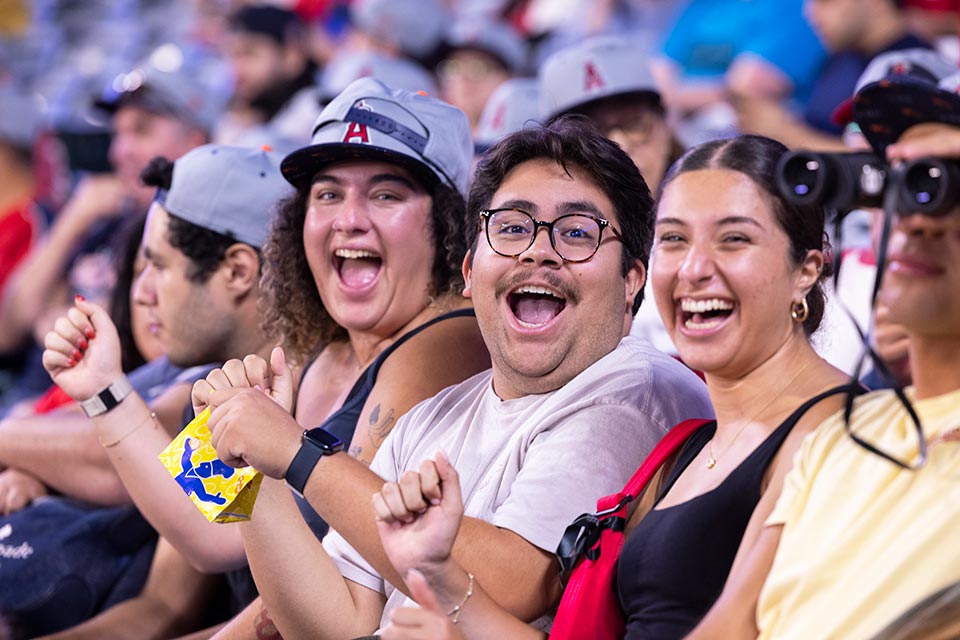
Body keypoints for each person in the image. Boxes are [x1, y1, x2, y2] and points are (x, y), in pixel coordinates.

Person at [193, 115, 712, 638]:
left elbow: (516, 585)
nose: (537, 249)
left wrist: (296, 453)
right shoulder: (430, 415)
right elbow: (331, 622)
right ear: (468, 271)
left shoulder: (635, 388)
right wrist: (248, 474)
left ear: (632, 282)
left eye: (577, 233)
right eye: (511, 227)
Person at [42, 79, 492, 638]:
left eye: (386, 194)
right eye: (327, 194)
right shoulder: (308, 345)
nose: (348, 219)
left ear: (448, 225)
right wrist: (102, 390)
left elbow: (319, 596)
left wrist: (109, 397)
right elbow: (199, 528)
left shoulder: (444, 343)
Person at [371, 134, 855, 639]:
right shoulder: (689, 446)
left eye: (734, 239)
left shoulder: (836, 436)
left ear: (807, 270)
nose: (694, 269)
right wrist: (445, 581)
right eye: (675, 239)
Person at [686, 89, 960, 640]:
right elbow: (726, 629)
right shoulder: (837, 438)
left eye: (945, 185)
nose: (916, 218)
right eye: (897, 182)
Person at [4, 144, 288, 637]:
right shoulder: (212, 370)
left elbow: (196, 543)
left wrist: (103, 395)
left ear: (240, 271)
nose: (140, 292)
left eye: (157, 266)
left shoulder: (274, 380)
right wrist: (33, 469)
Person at [734, 0, 930, 151]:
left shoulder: (913, 69)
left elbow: (891, 166)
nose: (810, 13)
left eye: (827, 1)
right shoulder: (842, 56)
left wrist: (784, 132)